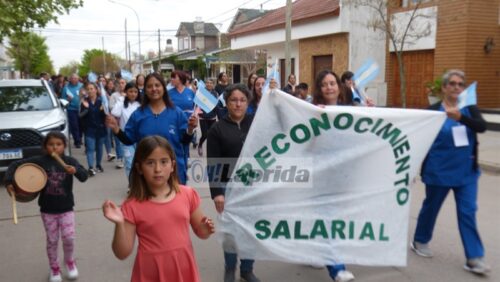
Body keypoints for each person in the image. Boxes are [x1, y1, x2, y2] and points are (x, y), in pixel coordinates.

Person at [102, 135, 215, 282]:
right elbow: (122, 253)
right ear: (139, 168)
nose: (158, 169)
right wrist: (119, 224)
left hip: (183, 270)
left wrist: (206, 229)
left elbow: (201, 232)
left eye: (164, 162)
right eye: (150, 163)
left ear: (172, 165)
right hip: (150, 273)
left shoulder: (187, 194)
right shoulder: (132, 205)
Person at [411, 70, 490, 275]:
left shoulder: (469, 108)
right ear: (444, 87)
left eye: (460, 84)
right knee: (431, 208)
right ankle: (420, 240)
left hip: (466, 173)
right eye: (452, 84)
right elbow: (419, 140)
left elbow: (481, 127)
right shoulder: (433, 110)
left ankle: (474, 257)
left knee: (468, 212)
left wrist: (461, 117)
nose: (456, 87)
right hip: (439, 172)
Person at [4, 131, 88, 282]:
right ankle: (54, 268)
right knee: (52, 240)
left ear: (64, 146)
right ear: (45, 146)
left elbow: (84, 177)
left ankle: (69, 262)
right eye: (51, 144)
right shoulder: (40, 161)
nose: (54, 148)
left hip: (66, 208)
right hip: (47, 210)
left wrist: (75, 171)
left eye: (58, 144)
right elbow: (15, 165)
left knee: (69, 238)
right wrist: (9, 181)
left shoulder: (70, 161)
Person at [207, 84, 260, 282]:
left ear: (248, 103)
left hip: (253, 187)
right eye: (233, 100)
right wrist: (217, 193)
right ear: (226, 103)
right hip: (228, 188)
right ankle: (230, 268)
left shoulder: (256, 124)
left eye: (242, 100)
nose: (238, 104)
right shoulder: (217, 129)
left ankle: (247, 269)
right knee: (230, 232)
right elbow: (213, 164)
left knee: (251, 230)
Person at [106, 72, 197, 185]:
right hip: (146, 176)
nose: (154, 89)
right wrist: (116, 128)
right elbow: (128, 139)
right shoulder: (138, 115)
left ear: (163, 88)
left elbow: (185, 141)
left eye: (157, 85)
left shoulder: (176, 113)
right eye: (149, 86)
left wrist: (190, 129)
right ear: (145, 90)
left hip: (173, 174)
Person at [312, 70, 355, 282]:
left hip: (344, 175)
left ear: (339, 86)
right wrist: (314, 120)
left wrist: (374, 113)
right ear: (319, 89)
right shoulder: (312, 111)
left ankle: (317, 250)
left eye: (333, 83)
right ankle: (337, 269)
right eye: (324, 84)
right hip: (320, 176)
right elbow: (306, 144)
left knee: (337, 220)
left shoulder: (352, 111)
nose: (329, 87)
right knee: (328, 220)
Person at [111, 82, 141, 178]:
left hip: (139, 137)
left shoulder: (141, 105)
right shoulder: (123, 104)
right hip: (125, 137)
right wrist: (121, 98)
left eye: (135, 92)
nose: (133, 94)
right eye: (130, 91)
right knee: (129, 162)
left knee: (140, 162)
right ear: (126, 92)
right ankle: (132, 185)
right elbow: (115, 112)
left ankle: (141, 184)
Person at [79, 82, 107, 176]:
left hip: (100, 128)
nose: (90, 90)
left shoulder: (101, 101)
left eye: (92, 88)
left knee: (99, 148)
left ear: (96, 90)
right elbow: (80, 116)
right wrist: (86, 109)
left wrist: (104, 110)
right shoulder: (84, 102)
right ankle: (91, 167)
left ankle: (98, 165)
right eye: (88, 89)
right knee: (90, 149)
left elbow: (106, 116)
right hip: (89, 129)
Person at [197, 78, 218, 156]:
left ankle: (211, 151)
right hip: (203, 117)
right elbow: (197, 105)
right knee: (205, 134)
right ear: (205, 84)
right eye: (207, 83)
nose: (209, 84)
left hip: (212, 117)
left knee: (212, 136)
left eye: (211, 83)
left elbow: (217, 105)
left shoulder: (215, 93)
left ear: (213, 85)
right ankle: (200, 144)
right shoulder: (201, 93)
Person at [61, 73, 83, 148]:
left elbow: (86, 95)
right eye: (72, 78)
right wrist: (68, 99)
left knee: (81, 125)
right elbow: (62, 100)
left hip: (81, 109)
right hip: (71, 109)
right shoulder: (66, 87)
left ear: (78, 79)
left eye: (76, 78)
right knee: (74, 125)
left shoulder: (81, 86)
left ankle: (79, 138)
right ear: (70, 79)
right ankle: (77, 141)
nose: (74, 80)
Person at [109, 78, 127, 169]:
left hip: (127, 121)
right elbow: (111, 107)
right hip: (117, 121)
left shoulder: (129, 94)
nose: (121, 85)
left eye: (123, 83)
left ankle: (127, 157)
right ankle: (120, 158)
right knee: (118, 141)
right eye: (119, 83)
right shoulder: (114, 95)